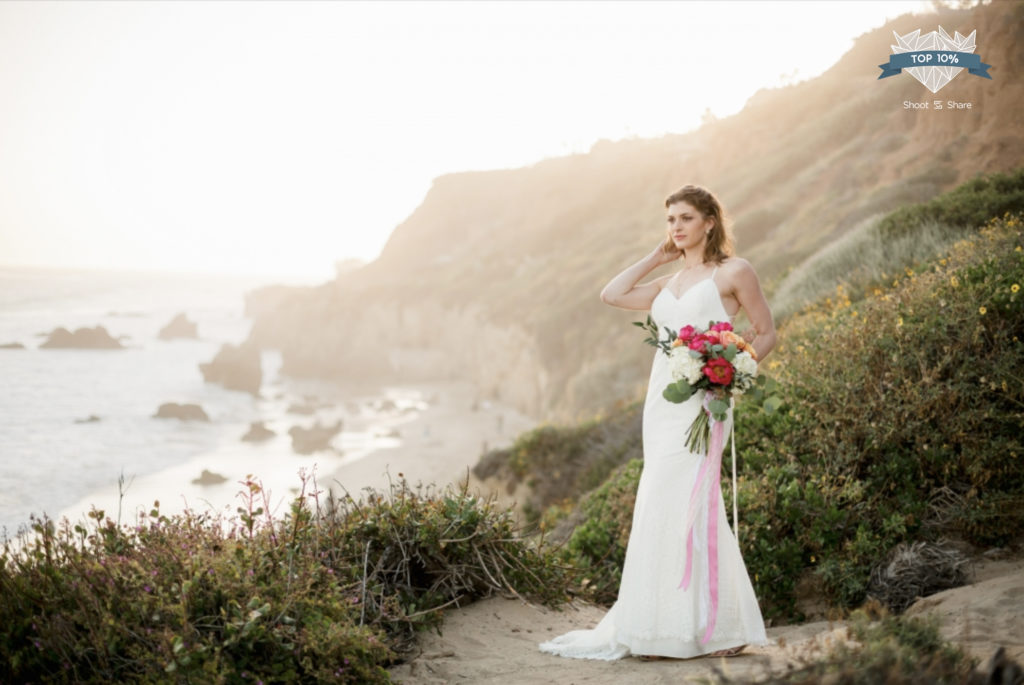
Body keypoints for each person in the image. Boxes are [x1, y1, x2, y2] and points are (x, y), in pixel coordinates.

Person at [539, 184, 776, 661]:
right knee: (659, 499)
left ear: (710, 220)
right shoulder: (669, 284)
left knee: (693, 503)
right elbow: (612, 294)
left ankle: (716, 629)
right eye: (670, 220)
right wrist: (655, 256)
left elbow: (767, 332)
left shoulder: (734, 271)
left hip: (703, 401)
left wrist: (731, 372)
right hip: (663, 404)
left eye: (686, 218)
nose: (677, 227)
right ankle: (661, 626)